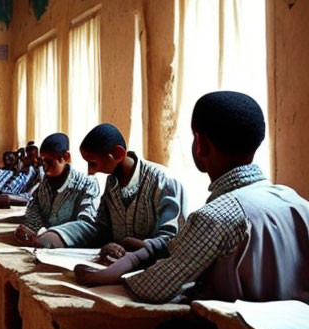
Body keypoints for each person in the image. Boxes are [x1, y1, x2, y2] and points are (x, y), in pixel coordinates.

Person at [78, 92, 309, 302]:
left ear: (200, 144)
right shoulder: (297, 202)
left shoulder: (214, 216)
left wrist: (119, 270)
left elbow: (153, 287)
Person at [60, 123, 185, 262]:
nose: (90, 172)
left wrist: (134, 245)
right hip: (119, 264)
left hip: (155, 268)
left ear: (117, 154)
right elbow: (102, 228)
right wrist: (108, 245)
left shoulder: (164, 181)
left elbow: (171, 238)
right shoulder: (111, 183)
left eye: (93, 163)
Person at [10, 133, 100, 248]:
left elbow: (87, 223)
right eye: (42, 162)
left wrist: (52, 235)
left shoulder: (87, 184)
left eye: (49, 161)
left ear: (66, 157)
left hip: (68, 249)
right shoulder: (45, 182)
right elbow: (33, 207)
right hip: (42, 243)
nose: (45, 167)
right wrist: (33, 230)